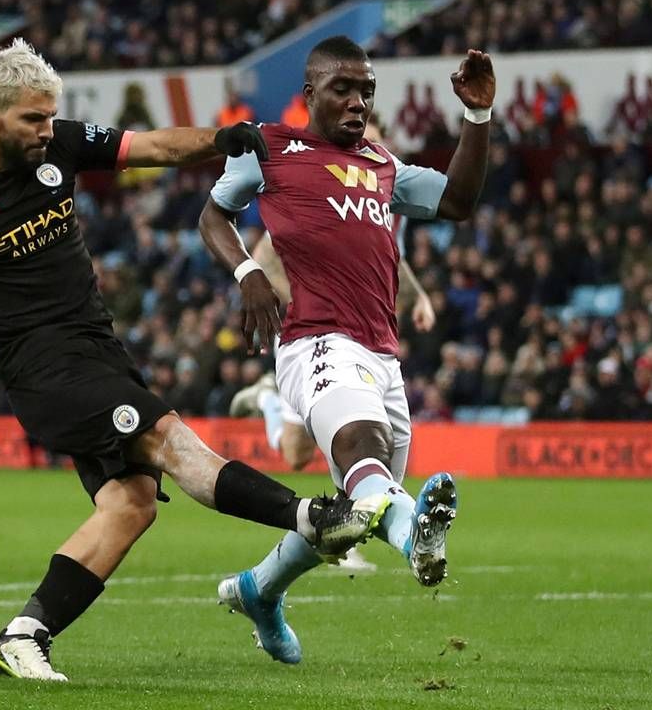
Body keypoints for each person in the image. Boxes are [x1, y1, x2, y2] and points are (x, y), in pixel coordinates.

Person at [0, 38, 390, 682]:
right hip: (45, 368)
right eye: (33, 120)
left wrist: (224, 139)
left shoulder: (62, 144)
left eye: (51, 116)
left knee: (131, 504)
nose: (49, 131)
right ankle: (313, 517)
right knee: (167, 439)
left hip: (98, 351)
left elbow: (152, 147)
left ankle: (23, 635)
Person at [199, 36, 493, 663]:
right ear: (310, 95)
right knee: (364, 454)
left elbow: (461, 201)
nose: (357, 102)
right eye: (343, 89)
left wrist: (477, 117)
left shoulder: (384, 165)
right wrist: (248, 273)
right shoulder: (270, 150)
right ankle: (415, 531)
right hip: (314, 341)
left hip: (383, 356)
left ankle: (259, 591)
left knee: (352, 509)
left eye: (366, 91)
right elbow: (212, 216)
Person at [228, 117, 437, 572]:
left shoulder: (383, 189)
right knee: (331, 443)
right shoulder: (316, 186)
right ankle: (385, 533)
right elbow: (266, 254)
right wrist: (303, 298)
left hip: (368, 340)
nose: (373, 149)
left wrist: (417, 296)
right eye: (369, 141)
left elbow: (386, 260)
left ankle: (260, 587)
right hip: (313, 334)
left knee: (306, 453)